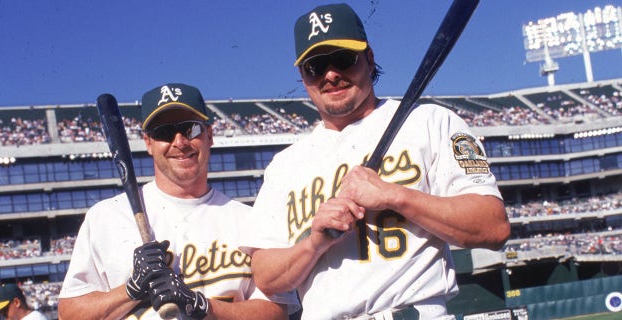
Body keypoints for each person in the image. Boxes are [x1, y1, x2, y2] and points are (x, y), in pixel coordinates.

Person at [241, 3, 511, 320]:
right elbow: (266, 276)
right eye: (315, 66)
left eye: (343, 58)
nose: (330, 74)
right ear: (302, 76)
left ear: (369, 59)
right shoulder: (284, 165)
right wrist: (313, 243)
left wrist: (394, 195)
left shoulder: (428, 122)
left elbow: (493, 225)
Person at [58, 83, 299, 320]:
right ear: (149, 143)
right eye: (164, 132)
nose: (180, 142)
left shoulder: (248, 220)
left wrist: (203, 307)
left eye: (191, 129)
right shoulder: (106, 216)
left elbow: (276, 313)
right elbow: (69, 314)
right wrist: (130, 290)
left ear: (210, 135)